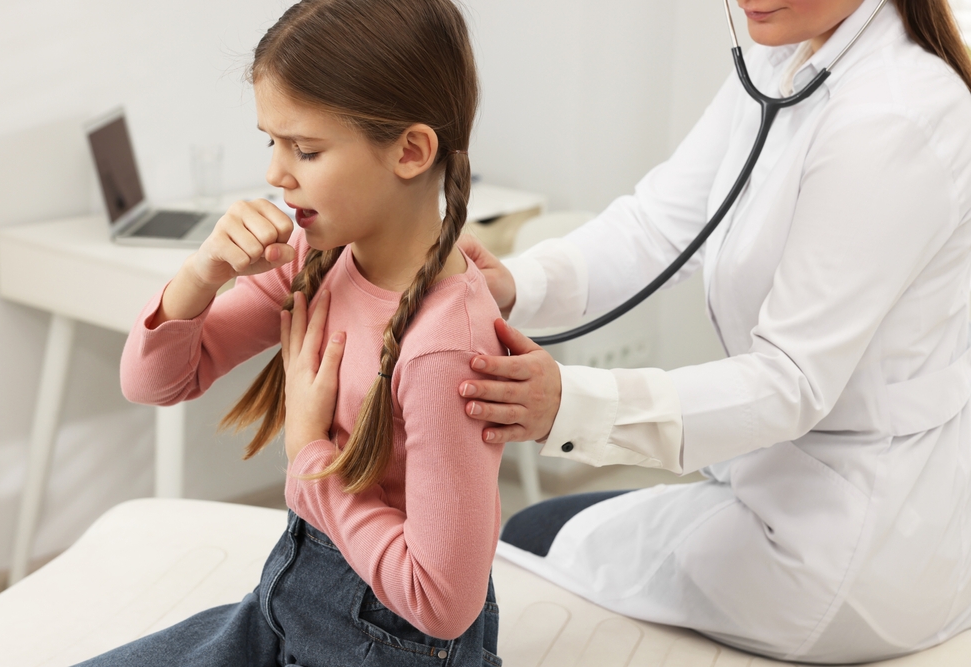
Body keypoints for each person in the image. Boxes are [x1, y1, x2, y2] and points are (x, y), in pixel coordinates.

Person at [455, 0, 971, 663]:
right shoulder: (784, 58)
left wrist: (570, 405)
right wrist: (517, 284)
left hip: (852, 542)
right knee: (532, 534)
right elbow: (659, 225)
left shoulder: (896, 116)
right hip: (778, 482)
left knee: (528, 539)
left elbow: (790, 379)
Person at [74, 1, 504, 666]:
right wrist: (203, 273)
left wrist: (310, 456)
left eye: (305, 149)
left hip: (387, 647)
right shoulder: (318, 257)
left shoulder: (444, 347)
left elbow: (443, 601)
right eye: (270, 143)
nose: (276, 174)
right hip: (290, 605)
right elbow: (154, 381)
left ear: (411, 151)